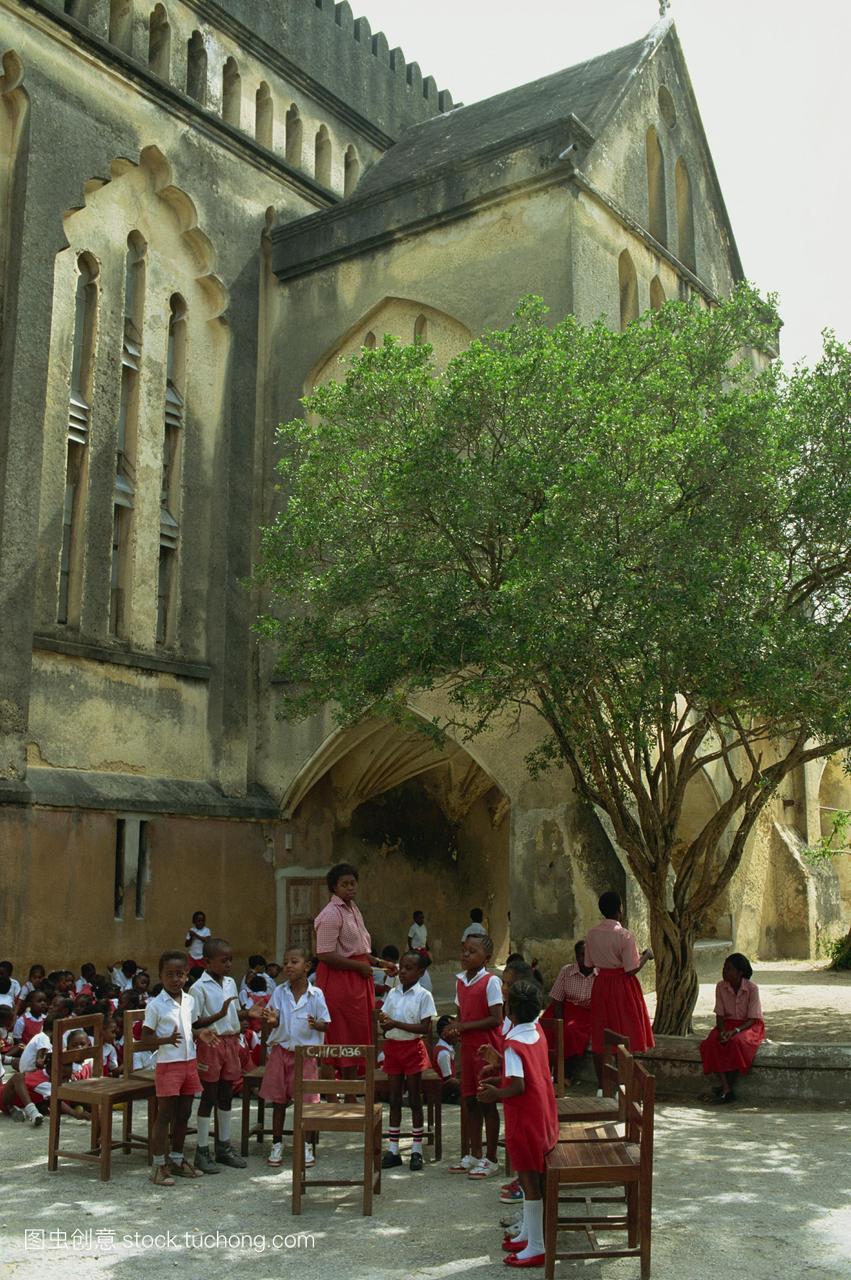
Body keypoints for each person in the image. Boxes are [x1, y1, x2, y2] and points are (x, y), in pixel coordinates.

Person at [479, 980, 558, 1269]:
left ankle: (537, 1247)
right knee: (531, 1181)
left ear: (509, 1010)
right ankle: (529, 1234)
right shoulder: (536, 1032)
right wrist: (499, 1066)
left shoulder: (513, 1045)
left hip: (524, 1122)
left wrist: (494, 1093)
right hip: (542, 1118)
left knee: (528, 1181)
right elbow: (529, 1074)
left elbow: (518, 1086)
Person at [313, 863, 396, 1074]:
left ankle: (352, 1091)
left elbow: (358, 949)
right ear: (334, 887)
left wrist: (379, 963)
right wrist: (359, 966)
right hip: (339, 981)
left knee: (357, 1032)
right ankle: (331, 1095)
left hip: (358, 979)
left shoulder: (353, 909)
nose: (350, 888)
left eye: (353, 883)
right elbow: (324, 954)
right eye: (344, 884)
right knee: (340, 1033)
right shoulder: (331, 914)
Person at [139, 950, 212, 1186]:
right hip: (168, 1065)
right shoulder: (156, 1005)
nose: (175, 979)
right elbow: (144, 1038)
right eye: (169, 974)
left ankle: (178, 1159)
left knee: (184, 1113)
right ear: (160, 976)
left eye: (180, 974)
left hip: (189, 1064)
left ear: (187, 975)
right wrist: (165, 1041)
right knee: (165, 1115)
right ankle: (158, 1166)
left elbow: (188, 1029)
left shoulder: (189, 1000)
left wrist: (201, 1033)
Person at [257, 945, 330, 1169]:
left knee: (306, 1103)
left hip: (305, 1056)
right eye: (286, 961)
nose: (288, 965)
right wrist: (272, 1021)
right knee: (278, 1102)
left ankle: (306, 1146)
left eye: (294, 961)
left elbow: (325, 1023)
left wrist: (315, 1024)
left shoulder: (316, 994)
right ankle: (277, 1143)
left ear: (307, 966)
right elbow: (274, 1018)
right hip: (281, 1053)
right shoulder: (280, 992)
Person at [445, 933, 502, 1178]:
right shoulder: (460, 982)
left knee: (485, 1100)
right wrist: (454, 1028)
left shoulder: (490, 982)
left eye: (473, 952)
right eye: (464, 950)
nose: (466, 955)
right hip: (467, 1048)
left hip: (486, 1048)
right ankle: (474, 1152)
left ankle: (491, 1157)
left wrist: (464, 1027)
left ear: (486, 958)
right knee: (469, 1100)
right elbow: (461, 1016)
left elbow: (496, 1018)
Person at [584, 891, 654, 1087]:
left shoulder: (591, 934)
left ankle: (602, 1085)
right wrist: (647, 955)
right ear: (619, 909)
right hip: (622, 985)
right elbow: (631, 969)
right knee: (625, 1033)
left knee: (600, 1035)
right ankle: (624, 1084)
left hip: (600, 986)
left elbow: (589, 965)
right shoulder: (625, 935)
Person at [190, 936, 247, 1172]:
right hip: (210, 1044)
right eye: (223, 960)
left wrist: (248, 1014)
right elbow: (194, 1023)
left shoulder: (231, 983)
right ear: (207, 962)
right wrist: (220, 1014)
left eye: (231, 960)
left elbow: (234, 1015)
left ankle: (223, 1146)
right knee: (209, 1096)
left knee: (226, 1094)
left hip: (231, 1042)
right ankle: (202, 1150)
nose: (228, 965)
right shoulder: (198, 987)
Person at [378, 951, 437, 1172]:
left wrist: (395, 1023)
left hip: (413, 1049)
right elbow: (385, 1024)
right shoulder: (392, 994)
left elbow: (424, 1028)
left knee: (414, 1098)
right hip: (393, 1049)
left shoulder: (424, 996)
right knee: (393, 1098)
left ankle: (416, 1150)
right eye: (401, 967)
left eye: (409, 968)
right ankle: (393, 1150)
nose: (402, 971)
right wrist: (384, 1023)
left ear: (420, 972)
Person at [699, 953, 765, 1104]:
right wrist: (722, 1031)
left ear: (740, 972)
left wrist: (735, 1031)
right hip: (727, 1024)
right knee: (712, 1042)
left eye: (729, 969)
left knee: (737, 1043)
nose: (724, 971)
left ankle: (726, 1087)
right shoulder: (720, 987)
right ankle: (726, 1086)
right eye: (724, 968)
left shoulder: (752, 988)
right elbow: (720, 1014)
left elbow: (752, 1018)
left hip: (749, 1025)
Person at [544, 940, 596, 1082]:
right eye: (580, 955)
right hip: (563, 1008)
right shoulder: (567, 971)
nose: (584, 959)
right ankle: (543, 1074)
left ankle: (565, 1074)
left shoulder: (600, 974)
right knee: (546, 1030)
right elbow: (558, 999)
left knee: (571, 1032)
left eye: (588, 955)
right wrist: (559, 1021)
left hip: (586, 1013)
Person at [432, 1015, 459, 1102]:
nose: (457, 1033)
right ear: (444, 1033)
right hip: (444, 1096)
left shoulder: (447, 1048)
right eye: (453, 1030)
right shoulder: (444, 1053)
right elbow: (449, 1081)